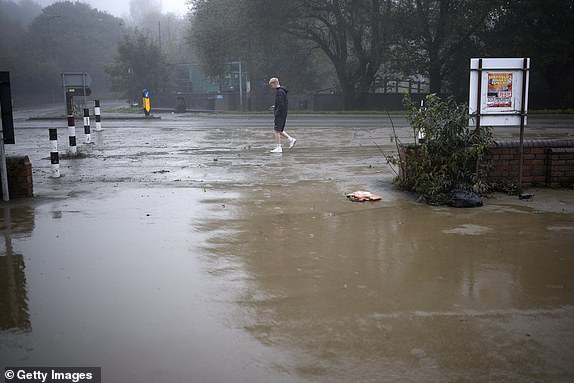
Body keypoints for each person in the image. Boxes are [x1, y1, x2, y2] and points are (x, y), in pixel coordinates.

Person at [269, 77, 296, 153]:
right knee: (279, 130)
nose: (271, 87)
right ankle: (291, 139)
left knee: (276, 130)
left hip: (280, 114)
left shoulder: (280, 92)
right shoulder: (282, 91)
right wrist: (275, 106)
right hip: (283, 113)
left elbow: (281, 104)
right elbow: (282, 103)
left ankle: (279, 147)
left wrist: (276, 112)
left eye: (271, 85)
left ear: (275, 83)